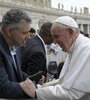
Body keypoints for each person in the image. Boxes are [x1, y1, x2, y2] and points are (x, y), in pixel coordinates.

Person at [20, 16, 90, 100]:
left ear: (70, 32)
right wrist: (40, 87)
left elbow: (73, 93)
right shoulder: (74, 47)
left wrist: (37, 92)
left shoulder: (86, 51)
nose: (54, 42)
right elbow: (63, 83)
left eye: (56, 36)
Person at [0, 8, 37, 99]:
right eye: (24, 33)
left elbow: (17, 72)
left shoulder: (16, 44)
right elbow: (3, 88)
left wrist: (31, 79)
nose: (28, 37)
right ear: (9, 31)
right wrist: (35, 90)